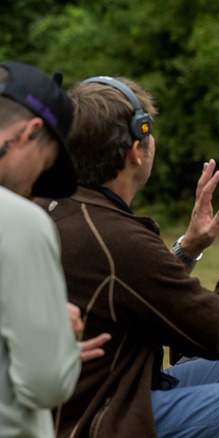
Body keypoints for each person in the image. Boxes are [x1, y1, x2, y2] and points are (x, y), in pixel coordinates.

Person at [37, 75, 219, 437]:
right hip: (98, 416)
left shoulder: (63, 207)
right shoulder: (117, 237)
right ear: (136, 150)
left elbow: (131, 292)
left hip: (92, 392)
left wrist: (187, 248)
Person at [0, 61, 109, 437]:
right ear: (30, 133)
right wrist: (57, 339)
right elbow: (45, 382)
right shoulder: (19, 221)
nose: (35, 188)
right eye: (44, 166)